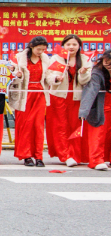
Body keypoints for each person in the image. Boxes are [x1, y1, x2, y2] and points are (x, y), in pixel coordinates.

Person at [45, 35, 92, 167]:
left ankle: (75, 154)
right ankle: (65, 155)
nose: (71, 47)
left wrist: (83, 73)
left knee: (76, 126)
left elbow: (85, 81)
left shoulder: (84, 59)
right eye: (68, 44)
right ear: (63, 46)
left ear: (79, 46)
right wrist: (57, 78)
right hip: (58, 97)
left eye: (74, 44)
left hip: (77, 97)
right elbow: (48, 77)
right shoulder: (56, 58)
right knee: (60, 126)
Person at [10, 36, 50, 166]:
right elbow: (11, 75)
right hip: (24, 94)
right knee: (25, 125)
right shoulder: (19, 58)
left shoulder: (45, 59)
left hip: (40, 94)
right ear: (31, 46)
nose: (40, 52)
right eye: (38, 49)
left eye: (43, 49)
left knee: (38, 126)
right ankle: (26, 155)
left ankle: (38, 156)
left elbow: (48, 76)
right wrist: (17, 75)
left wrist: (56, 79)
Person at [79, 51, 111, 170]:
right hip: (100, 107)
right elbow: (90, 91)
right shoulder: (97, 72)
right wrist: (84, 111)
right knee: (98, 135)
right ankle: (96, 160)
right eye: (106, 62)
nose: (108, 65)